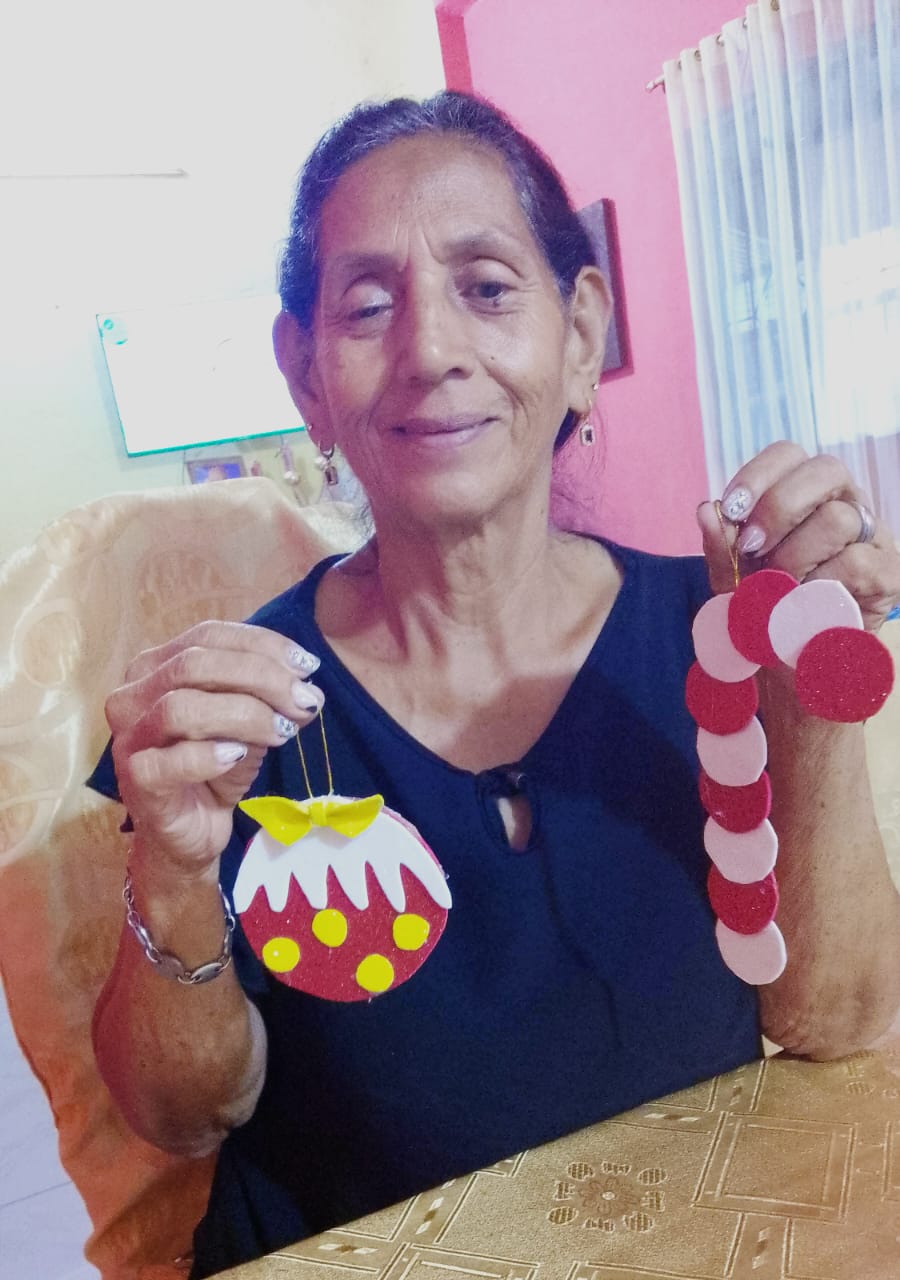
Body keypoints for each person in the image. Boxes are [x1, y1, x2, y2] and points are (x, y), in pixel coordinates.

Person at [89, 91, 900, 1277]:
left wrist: (805, 698)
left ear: (580, 336)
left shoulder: (720, 630)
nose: (430, 350)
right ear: (306, 375)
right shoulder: (234, 714)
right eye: (368, 306)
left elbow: (839, 1019)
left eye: (485, 286)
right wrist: (171, 869)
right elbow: (183, 1116)